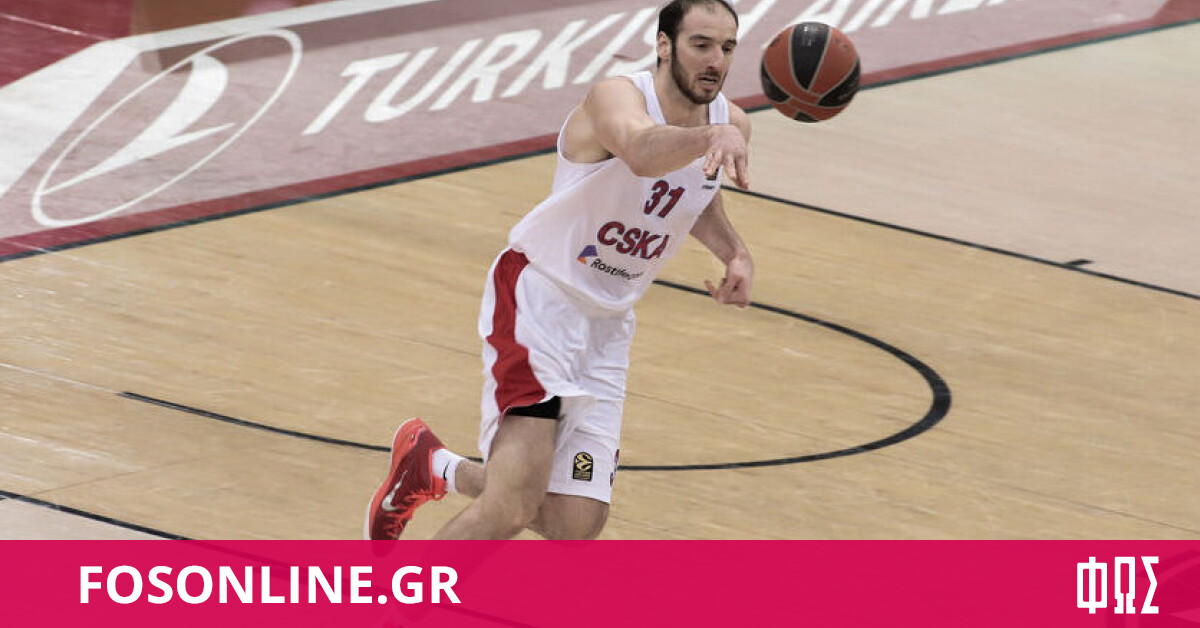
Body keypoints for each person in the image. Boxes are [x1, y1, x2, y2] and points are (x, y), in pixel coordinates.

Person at [366, 0, 752, 540]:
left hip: (607, 324)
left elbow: (696, 192)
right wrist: (710, 138)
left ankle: (434, 467)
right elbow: (642, 152)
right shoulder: (616, 97)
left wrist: (734, 251)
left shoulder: (728, 123)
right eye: (701, 45)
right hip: (540, 301)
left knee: (574, 522)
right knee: (511, 507)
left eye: (727, 48)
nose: (715, 60)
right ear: (665, 46)